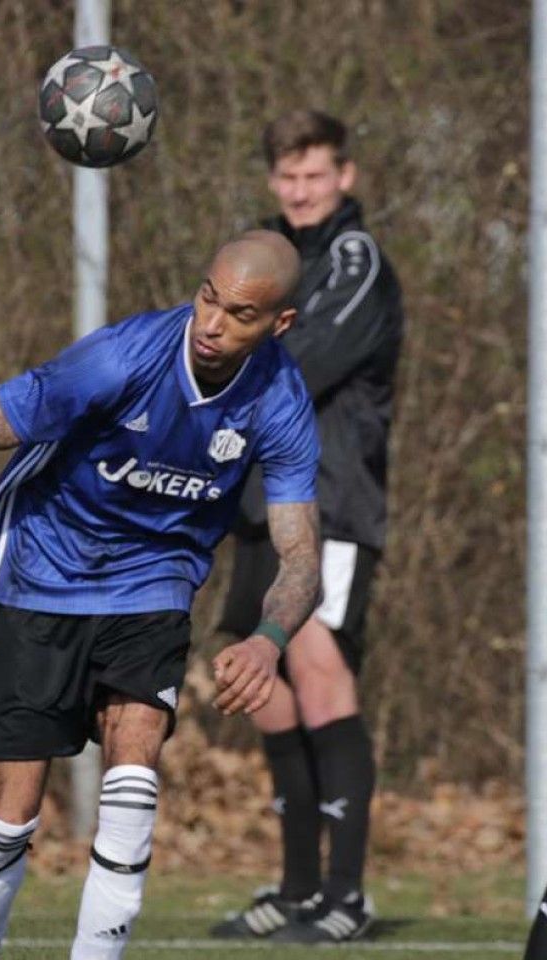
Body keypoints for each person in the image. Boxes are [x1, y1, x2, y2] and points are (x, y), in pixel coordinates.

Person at [0, 230, 322, 960]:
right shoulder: (120, 359)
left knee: (134, 781)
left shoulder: (282, 401)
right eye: (208, 296)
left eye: (238, 314)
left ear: (279, 324)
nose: (211, 323)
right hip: (40, 566)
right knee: (13, 816)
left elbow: (300, 557)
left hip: (154, 584)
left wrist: (269, 642)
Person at [212, 110, 404, 945]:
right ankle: (295, 889)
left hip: (333, 496)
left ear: (345, 176)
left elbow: (308, 357)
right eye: (288, 177)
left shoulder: (355, 259)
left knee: (320, 664)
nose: (301, 190)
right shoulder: (266, 258)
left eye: (315, 175)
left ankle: (347, 892)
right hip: (260, 499)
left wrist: (229, 354)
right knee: (268, 688)